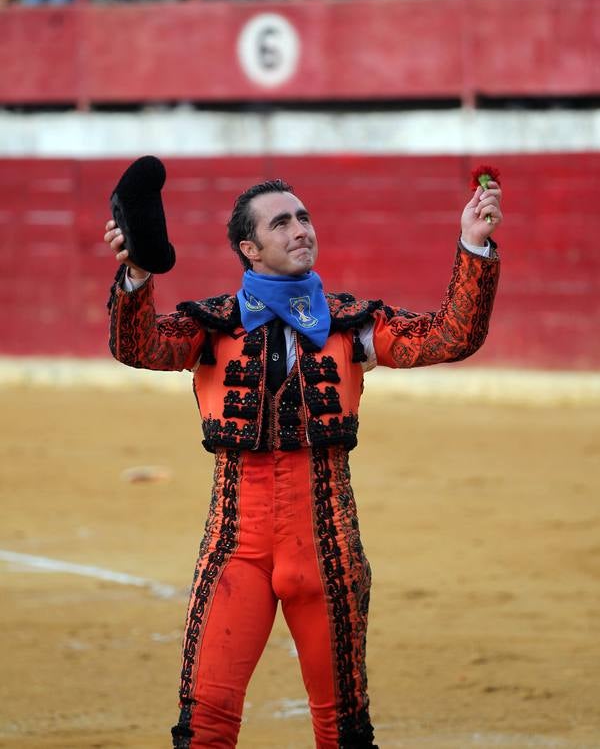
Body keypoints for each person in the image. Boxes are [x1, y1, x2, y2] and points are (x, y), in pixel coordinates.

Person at [104, 174, 502, 748]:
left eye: (304, 218)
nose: (301, 230)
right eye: (282, 222)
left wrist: (474, 246)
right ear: (248, 248)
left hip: (329, 549)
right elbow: (137, 346)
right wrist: (137, 274)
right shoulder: (212, 325)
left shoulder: (350, 323)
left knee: (344, 727)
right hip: (234, 547)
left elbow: (451, 335)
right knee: (205, 723)